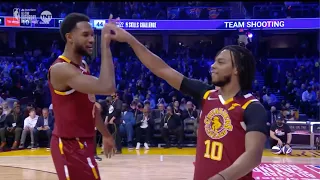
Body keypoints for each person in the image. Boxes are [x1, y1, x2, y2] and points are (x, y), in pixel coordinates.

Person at [105, 21, 268, 180]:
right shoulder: (206, 94)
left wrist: (220, 178)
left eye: (221, 62)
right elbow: (162, 69)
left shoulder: (252, 107)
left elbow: (253, 156)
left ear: (237, 69)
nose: (213, 66)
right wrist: (130, 39)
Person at [48, 13, 117, 180]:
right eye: (86, 35)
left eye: (93, 35)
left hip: (84, 143)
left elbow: (90, 107)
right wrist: (105, 44)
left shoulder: (83, 66)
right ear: (70, 37)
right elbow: (107, 87)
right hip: (69, 145)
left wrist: (106, 135)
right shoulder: (61, 69)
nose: (92, 39)